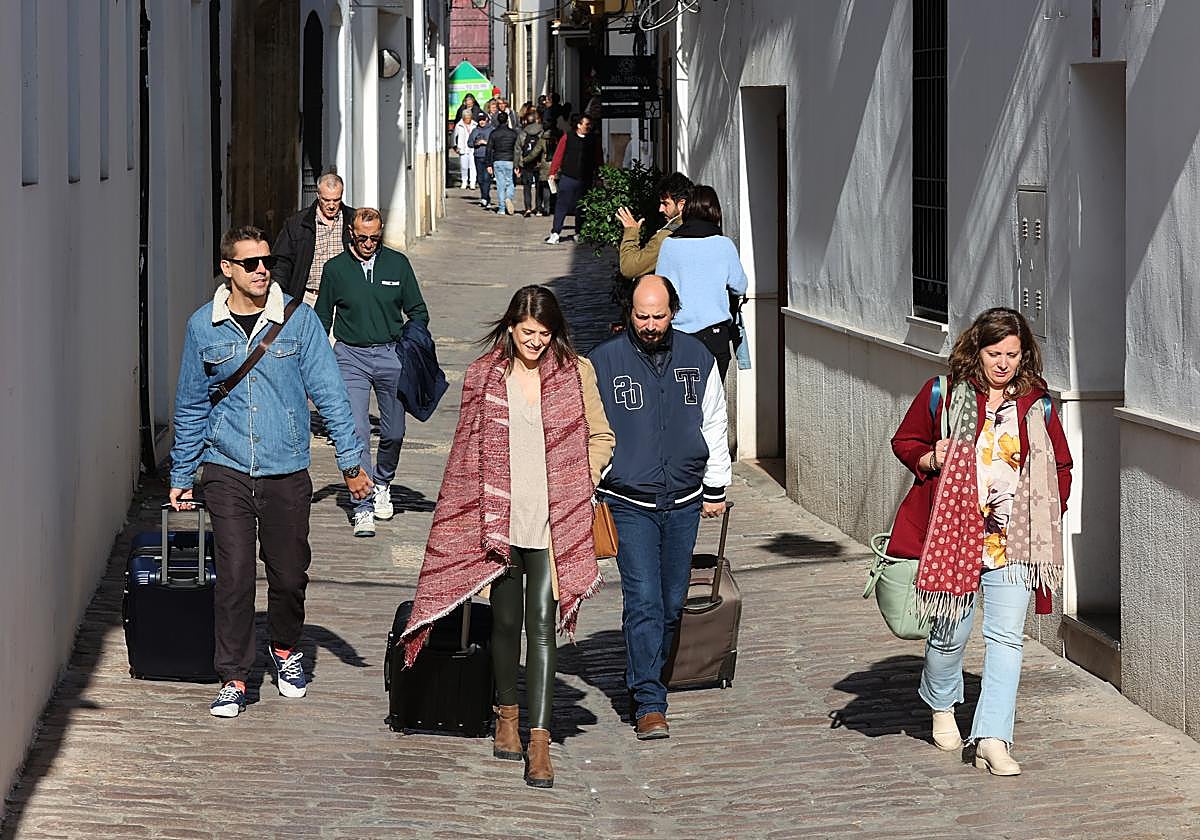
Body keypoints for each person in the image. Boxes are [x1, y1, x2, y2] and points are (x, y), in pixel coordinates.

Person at [400, 286, 613, 789]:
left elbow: (601, 435)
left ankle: (540, 741)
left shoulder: (576, 372)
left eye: (545, 334)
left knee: (542, 625)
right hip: (501, 521)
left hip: (554, 520)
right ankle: (507, 715)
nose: (536, 342)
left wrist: (579, 478)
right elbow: (465, 454)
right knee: (504, 622)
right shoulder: (484, 376)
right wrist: (467, 513)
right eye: (528, 332)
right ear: (511, 327)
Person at [168, 225, 372, 718]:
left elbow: (331, 394)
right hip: (227, 466)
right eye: (251, 263)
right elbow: (191, 405)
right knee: (234, 576)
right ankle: (234, 676)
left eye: (267, 262)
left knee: (289, 575)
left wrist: (351, 463)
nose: (263, 270)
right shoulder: (203, 327)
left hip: (286, 466)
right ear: (228, 269)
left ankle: (284, 648)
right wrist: (182, 473)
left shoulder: (297, 321)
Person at [889, 307, 1073, 776]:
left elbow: (1062, 465)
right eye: (995, 354)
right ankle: (941, 702)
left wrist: (1047, 512)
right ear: (978, 350)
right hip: (955, 537)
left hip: (1013, 539)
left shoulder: (1035, 402)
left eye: (1013, 354)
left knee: (1007, 638)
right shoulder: (945, 393)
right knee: (950, 634)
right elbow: (905, 441)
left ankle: (992, 738)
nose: (1003, 364)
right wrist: (930, 456)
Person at [588, 275, 730, 740]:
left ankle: (647, 671)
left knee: (671, 603)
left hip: (685, 499)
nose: (650, 324)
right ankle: (649, 700)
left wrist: (716, 486)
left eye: (659, 315)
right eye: (642, 316)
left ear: (674, 312)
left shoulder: (698, 357)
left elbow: (714, 421)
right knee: (644, 599)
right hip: (628, 501)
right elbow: (587, 429)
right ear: (629, 312)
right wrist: (590, 482)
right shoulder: (602, 362)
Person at [314, 208, 430, 538]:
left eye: (375, 238)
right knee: (357, 430)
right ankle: (362, 505)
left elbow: (418, 311)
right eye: (362, 237)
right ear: (351, 233)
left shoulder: (397, 264)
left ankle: (382, 482)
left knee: (394, 432)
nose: (368, 243)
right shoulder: (335, 269)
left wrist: (411, 344)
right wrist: (317, 360)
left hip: (392, 354)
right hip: (350, 357)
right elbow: (321, 318)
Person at [652, 185, 748, 381]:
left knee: (682, 394)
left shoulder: (669, 245)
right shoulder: (723, 245)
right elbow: (740, 286)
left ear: (687, 210)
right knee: (713, 397)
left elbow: (661, 290)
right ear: (715, 212)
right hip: (715, 335)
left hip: (678, 336)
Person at [271, 173, 356, 306]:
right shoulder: (297, 223)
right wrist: (278, 293)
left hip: (346, 296)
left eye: (336, 200)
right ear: (318, 195)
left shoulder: (353, 220)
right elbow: (282, 262)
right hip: (311, 297)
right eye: (326, 200)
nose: (331, 205)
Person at [615, 171, 694, 280]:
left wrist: (631, 232)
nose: (660, 209)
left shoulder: (667, 237)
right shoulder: (698, 225)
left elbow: (629, 268)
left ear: (681, 204)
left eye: (665, 204)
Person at [545, 114, 602, 245]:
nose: (589, 127)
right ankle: (555, 232)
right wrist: (553, 172)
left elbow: (598, 158)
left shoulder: (593, 140)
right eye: (586, 124)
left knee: (582, 207)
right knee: (562, 205)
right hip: (568, 177)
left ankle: (579, 232)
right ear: (579, 125)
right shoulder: (568, 137)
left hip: (585, 178)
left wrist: (599, 175)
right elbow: (558, 155)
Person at [486, 111, 520, 216]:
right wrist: (518, 164)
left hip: (497, 160)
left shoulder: (494, 133)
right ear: (507, 121)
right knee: (510, 182)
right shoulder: (513, 133)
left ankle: (501, 208)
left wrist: (488, 164)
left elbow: (489, 149)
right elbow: (517, 149)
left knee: (500, 185)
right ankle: (508, 198)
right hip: (510, 160)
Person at [518, 112, 549, 217]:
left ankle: (528, 208)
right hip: (539, 163)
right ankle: (539, 208)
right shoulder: (542, 133)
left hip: (526, 163)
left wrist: (518, 163)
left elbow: (518, 149)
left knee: (527, 186)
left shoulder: (523, 133)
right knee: (539, 186)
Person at [468, 113, 495, 208]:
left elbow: (495, 143)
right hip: (478, 156)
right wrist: (476, 143)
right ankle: (485, 197)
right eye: (480, 120)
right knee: (480, 178)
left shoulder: (492, 130)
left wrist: (486, 143)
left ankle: (486, 198)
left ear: (486, 120)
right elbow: (469, 143)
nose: (482, 122)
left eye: (483, 120)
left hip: (489, 157)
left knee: (487, 178)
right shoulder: (475, 131)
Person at [452, 110, 477, 190]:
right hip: (463, 149)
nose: (468, 119)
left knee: (473, 166)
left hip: (473, 149)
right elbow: (454, 136)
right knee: (464, 167)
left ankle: (472, 182)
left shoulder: (475, 125)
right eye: (466, 118)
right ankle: (464, 181)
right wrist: (455, 146)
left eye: (469, 117)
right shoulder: (459, 125)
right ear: (463, 118)